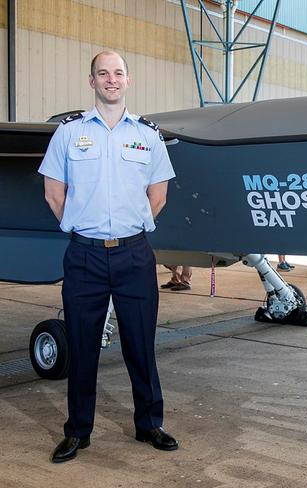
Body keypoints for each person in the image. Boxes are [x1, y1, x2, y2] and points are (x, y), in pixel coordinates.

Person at [39, 51, 178, 463]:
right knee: (82, 347)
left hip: (134, 255)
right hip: (84, 256)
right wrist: (84, 226)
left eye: (118, 73)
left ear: (128, 81)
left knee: (141, 343)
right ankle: (78, 431)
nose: (111, 80)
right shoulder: (68, 133)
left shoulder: (148, 136)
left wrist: (129, 228)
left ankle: (149, 424)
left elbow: (159, 194)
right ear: (92, 81)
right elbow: (53, 192)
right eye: (104, 73)